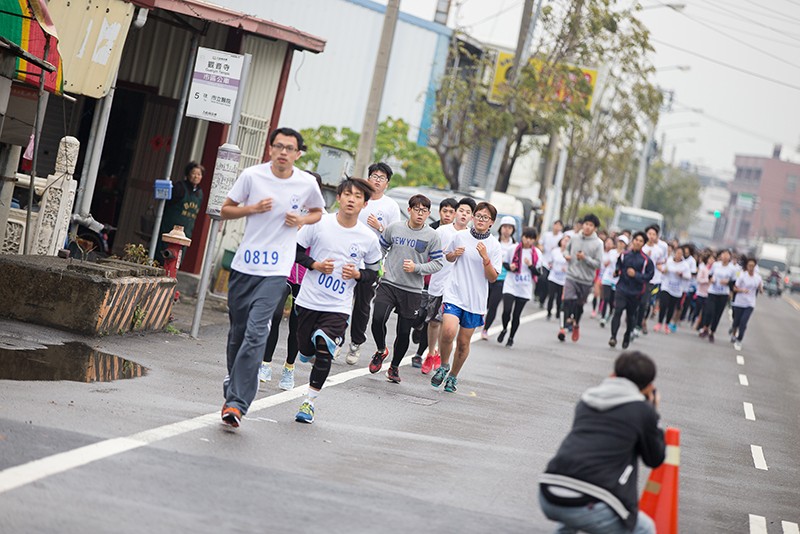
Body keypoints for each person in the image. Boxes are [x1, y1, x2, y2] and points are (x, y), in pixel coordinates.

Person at [219, 127, 325, 429]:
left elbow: (318, 212)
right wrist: (252, 208)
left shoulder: (305, 183)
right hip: (244, 268)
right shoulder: (253, 176)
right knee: (237, 334)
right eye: (278, 146)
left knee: (256, 333)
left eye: (289, 148)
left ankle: (237, 404)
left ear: (298, 153)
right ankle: (233, 383)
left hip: (276, 271)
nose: (283, 152)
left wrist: (301, 219)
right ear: (270, 149)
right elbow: (225, 209)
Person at [539, 351, 665, 534]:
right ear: (648, 388)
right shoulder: (643, 411)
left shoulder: (587, 399)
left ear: (613, 376)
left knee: (572, 519)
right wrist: (653, 412)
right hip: (588, 501)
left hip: (548, 491)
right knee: (645, 528)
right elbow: (654, 458)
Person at [292, 178, 382, 423]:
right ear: (339, 197)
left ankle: (309, 402)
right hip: (309, 300)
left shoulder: (368, 238)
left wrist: (358, 274)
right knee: (306, 348)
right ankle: (306, 349)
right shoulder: (319, 223)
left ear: (365, 204)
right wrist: (315, 264)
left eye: (358, 196)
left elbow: (375, 273)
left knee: (324, 348)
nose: (352, 199)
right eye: (348, 194)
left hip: (338, 305)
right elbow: (295, 249)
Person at [259, 172, 325, 390]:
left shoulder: (322, 217)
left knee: (297, 326)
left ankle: (289, 368)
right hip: (283, 270)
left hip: (306, 277)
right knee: (275, 314)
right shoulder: (290, 207)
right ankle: (265, 364)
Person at [367, 194, 443, 383]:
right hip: (389, 283)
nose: (420, 213)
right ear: (409, 210)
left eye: (424, 211)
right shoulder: (395, 228)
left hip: (412, 290)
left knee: (403, 332)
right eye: (416, 209)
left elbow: (438, 263)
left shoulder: (432, 236)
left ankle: (394, 368)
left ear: (428, 214)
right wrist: (379, 265)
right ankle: (380, 350)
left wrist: (417, 268)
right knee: (377, 319)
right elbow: (381, 247)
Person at [431, 202, 502, 393]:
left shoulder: (494, 246)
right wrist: (453, 254)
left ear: (491, 223)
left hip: (475, 300)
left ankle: (453, 376)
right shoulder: (460, 236)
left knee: (463, 343)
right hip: (454, 292)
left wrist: (485, 258)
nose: (480, 220)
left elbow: (493, 277)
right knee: (447, 331)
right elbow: (449, 257)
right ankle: (443, 365)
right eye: (478, 216)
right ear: (473, 217)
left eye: (485, 218)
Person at [340, 162, 402, 365]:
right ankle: (336, 339)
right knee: (341, 299)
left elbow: (396, 237)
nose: (377, 180)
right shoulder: (359, 198)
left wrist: (380, 227)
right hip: (348, 257)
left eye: (381, 178)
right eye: (374, 176)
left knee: (362, 304)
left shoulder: (390, 206)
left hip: (371, 262)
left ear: (387, 183)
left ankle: (356, 343)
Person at [416, 198, 474, 374]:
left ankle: (441, 355)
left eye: (468, 212)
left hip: (457, 287)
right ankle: (431, 353)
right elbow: (428, 252)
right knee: (434, 321)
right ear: (456, 212)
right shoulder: (441, 231)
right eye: (461, 210)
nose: (464, 214)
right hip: (438, 281)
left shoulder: (471, 236)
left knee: (446, 322)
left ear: (471, 217)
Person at [411, 197, 458, 367]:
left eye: (451, 212)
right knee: (420, 317)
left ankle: (421, 354)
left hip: (443, 286)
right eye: (445, 211)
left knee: (434, 320)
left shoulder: (459, 235)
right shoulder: (432, 230)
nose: (447, 214)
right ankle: (416, 328)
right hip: (425, 281)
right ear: (439, 212)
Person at [558, 214, 604, 343]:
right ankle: (562, 328)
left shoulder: (598, 244)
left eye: (591, 225)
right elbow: (566, 250)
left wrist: (585, 258)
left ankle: (576, 323)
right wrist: (566, 256)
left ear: (595, 228)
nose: (587, 227)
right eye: (586, 224)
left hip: (586, 279)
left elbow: (598, 263)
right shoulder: (574, 237)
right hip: (571, 275)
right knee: (567, 300)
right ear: (582, 225)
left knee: (579, 305)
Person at [609, 232, 654, 349]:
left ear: (643, 244)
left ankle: (627, 335)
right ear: (632, 241)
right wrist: (617, 271)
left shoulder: (646, 260)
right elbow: (619, 266)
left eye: (641, 241)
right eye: (636, 240)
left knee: (630, 316)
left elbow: (649, 276)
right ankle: (613, 337)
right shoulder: (624, 255)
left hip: (636, 292)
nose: (638, 242)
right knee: (617, 311)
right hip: (622, 288)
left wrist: (636, 275)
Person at [497, 226, 540, 347]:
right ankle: (504, 328)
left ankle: (511, 337)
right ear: (522, 237)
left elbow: (539, 272)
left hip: (524, 287)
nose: (528, 241)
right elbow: (504, 263)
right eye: (526, 237)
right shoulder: (513, 248)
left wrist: (531, 266)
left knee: (516, 315)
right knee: (506, 310)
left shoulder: (536, 253)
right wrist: (510, 267)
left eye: (531, 239)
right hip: (511, 284)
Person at [156, 161, 204, 263]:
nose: (196, 176)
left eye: (199, 174)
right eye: (194, 173)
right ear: (187, 174)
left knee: (176, 261)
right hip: (170, 230)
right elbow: (167, 205)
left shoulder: (200, 194)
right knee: (162, 258)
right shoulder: (179, 187)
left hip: (185, 233)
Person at [481, 215, 517, 340]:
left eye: (510, 227)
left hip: (502, 280)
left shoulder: (516, 246)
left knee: (493, 305)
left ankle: (485, 329)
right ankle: (476, 321)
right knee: (483, 301)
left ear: (513, 230)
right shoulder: (493, 241)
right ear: (501, 228)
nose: (507, 230)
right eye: (505, 227)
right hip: (487, 276)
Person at [636, 225, 668, 337]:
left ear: (657, 236)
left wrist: (661, 268)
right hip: (640, 279)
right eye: (649, 234)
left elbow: (661, 262)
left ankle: (643, 320)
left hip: (653, 280)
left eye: (654, 234)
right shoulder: (641, 247)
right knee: (638, 301)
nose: (651, 236)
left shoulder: (659, 250)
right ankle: (636, 320)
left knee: (648, 303)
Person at [699, 249, 737, 342]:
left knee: (717, 314)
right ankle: (705, 327)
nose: (725, 256)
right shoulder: (716, 265)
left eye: (727, 255)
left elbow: (734, 282)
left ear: (729, 257)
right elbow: (710, 275)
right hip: (713, 291)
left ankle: (712, 332)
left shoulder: (732, 268)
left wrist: (728, 282)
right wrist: (711, 279)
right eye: (723, 254)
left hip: (723, 293)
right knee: (709, 311)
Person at [654, 246, 691, 334]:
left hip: (677, 289)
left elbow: (688, 276)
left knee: (671, 307)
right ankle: (659, 322)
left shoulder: (685, 265)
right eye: (677, 253)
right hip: (666, 286)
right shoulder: (669, 261)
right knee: (663, 304)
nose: (678, 255)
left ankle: (667, 324)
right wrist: (663, 270)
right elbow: (663, 269)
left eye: (680, 254)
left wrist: (682, 274)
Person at [730, 257, 763, 352]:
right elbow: (735, 288)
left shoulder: (758, 277)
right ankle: (733, 334)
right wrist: (742, 290)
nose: (751, 267)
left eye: (753, 266)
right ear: (747, 266)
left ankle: (739, 338)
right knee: (736, 321)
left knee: (743, 322)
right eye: (749, 265)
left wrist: (760, 288)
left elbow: (761, 290)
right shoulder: (742, 276)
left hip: (750, 303)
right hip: (739, 302)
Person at [599, 235, 627, 328]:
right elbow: (606, 262)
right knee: (605, 298)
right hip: (607, 277)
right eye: (619, 242)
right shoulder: (612, 252)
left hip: (617, 280)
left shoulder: (625, 255)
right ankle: (602, 317)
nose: (620, 244)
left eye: (622, 243)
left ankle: (610, 313)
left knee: (612, 300)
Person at [538, 220, 565, 307]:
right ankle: (538, 295)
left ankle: (543, 299)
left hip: (554, 264)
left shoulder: (562, 237)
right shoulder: (547, 235)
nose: (557, 227)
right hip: (545, 261)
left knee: (548, 283)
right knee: (542, 278)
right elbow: (540, 243)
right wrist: (541, 248)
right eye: (556, 225)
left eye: (559, 225)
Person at [546, 235, 570, 321]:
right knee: (551, 296)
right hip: (553, 277)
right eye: (564, 240)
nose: (565, 243)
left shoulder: (570, 253)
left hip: (563, 279)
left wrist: (566, 269)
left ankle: (558, 313)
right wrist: (551, 265)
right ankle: (548, 312)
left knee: (559, 297)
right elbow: (550, 261)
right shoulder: (555, 251)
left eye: (568, 241)